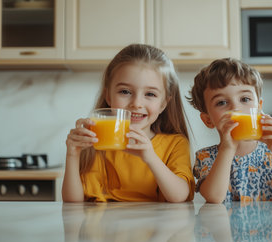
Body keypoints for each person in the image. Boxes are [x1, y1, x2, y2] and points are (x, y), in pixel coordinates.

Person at [62, 44, 195, 203]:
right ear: (109, 97)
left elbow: (180, 196)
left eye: (150, 94)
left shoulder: (175, 144)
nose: (136, 103)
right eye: (125, 92)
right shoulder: (96, 142)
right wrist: (72, 154)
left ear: (163, 104)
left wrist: (149, 157)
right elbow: (73, 203)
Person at [187, 58, 272, 203]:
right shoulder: (206, 157)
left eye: (245, 99)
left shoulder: (271, 154)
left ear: (259, 107)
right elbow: (214, 197)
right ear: (208, 120)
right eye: (222, 102)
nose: (236, 108)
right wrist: (227, 148)